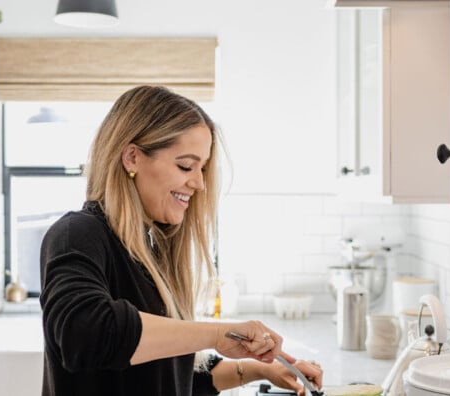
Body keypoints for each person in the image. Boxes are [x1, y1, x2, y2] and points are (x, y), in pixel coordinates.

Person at [39, 85, 323, 396]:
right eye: (186, 166)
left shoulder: (152, 247)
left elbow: (168, 376)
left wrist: (259, 368)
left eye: (201, 168)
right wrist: (216, 334)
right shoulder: (77, 234)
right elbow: (84, 336)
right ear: (132, 157)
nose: (199, 182)